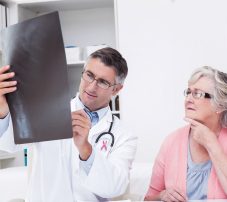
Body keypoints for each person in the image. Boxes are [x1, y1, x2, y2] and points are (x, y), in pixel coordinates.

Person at [0, 47, 137, 201]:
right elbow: (7, 144)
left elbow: (114, 188)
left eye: (103, 82)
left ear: (116, 89)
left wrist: (86, 150)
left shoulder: (124, 136)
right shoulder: (45, 111)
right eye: (89, 75)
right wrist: (2, 111)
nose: (91, 87)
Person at [144, 66, 227, 201]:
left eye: (197, 94)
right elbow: (148, 198)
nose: (188, 99)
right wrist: (161, 196)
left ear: (220, 105)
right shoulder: (172, 141)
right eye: (188, 92)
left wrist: (211, 144)